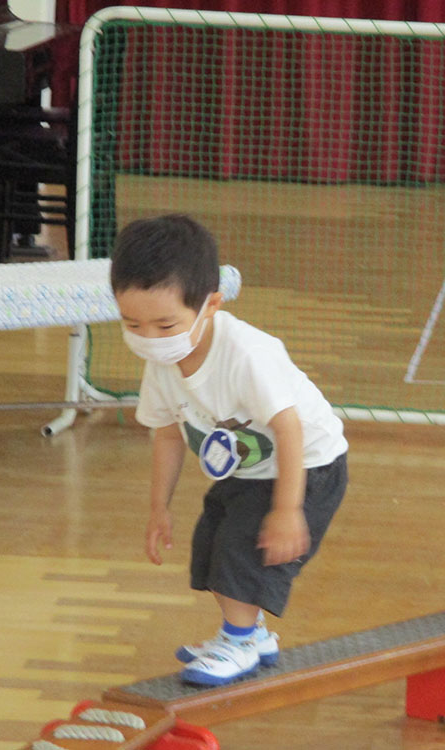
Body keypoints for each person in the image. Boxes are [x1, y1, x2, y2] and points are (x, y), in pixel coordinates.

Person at [110, 214, 348, 684]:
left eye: (165, 324)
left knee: (243, 551)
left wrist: (288, 510)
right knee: (213, 544)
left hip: (307, 465)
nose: (149, 339)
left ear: (211, 305)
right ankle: (249, 636)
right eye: (131, 323)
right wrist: (159, 508)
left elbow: (290, 429)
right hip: (248, 470)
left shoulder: (246, 355)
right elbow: (166, 434)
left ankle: (238, 642)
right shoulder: (162, 360)